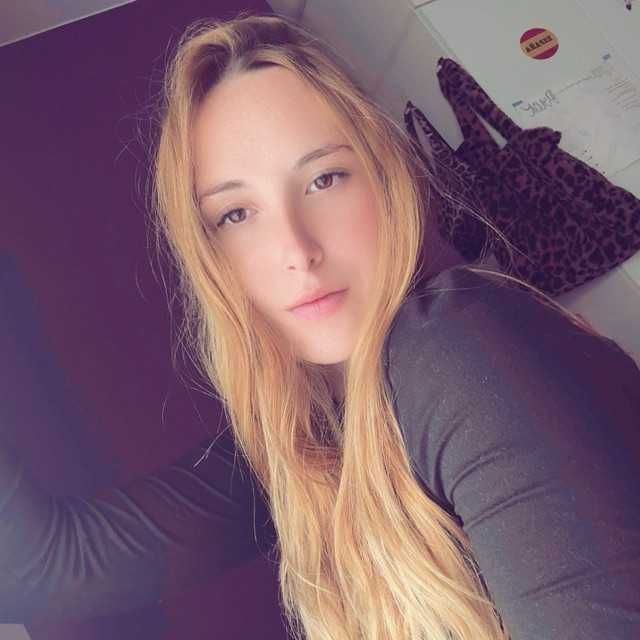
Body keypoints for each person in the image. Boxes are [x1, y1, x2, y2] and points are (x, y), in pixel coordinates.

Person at [1, 9, 639, 640]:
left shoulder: (460, 345)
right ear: (208, 255)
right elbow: (42, 571)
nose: (296, 249)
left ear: (387, 181)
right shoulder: (311, 424)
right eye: (235, 214)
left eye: (324, 178)